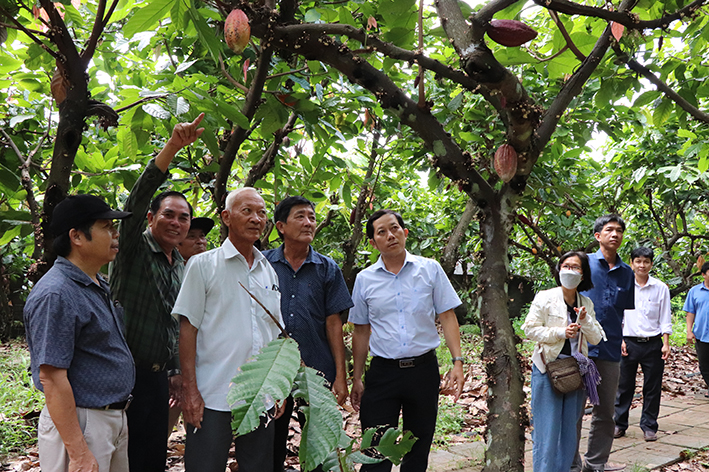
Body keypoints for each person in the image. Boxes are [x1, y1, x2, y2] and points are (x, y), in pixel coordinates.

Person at [109, 114, 204, 471]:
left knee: (151, 457)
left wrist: (176, 371)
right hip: (123, 374)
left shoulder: (179, 265)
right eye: (169, 215)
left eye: (184, 218)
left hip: (156, 380)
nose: (177, 223)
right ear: (151, 219)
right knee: (122, 459)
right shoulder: (132, 249)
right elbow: (133, 202)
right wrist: (172, 148)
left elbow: (176, 324)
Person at [174, 187, 284, 472]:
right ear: (226, 217)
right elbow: (188, 330)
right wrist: (190, 390)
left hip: (261, 394)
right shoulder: (203, 265)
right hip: (212, 393)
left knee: (258, 466)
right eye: (246, 211)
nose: (256, 219)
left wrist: (279, 385)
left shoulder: (267, 270)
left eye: (261, 213)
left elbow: (274, 333)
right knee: (204, 466)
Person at [24, 195, 134, 472]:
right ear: (77, 236)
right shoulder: (57, 293)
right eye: (106, 226)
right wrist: (78, 452)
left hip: (110, 418)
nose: (115, 234)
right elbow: (51, 376)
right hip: (83, 421)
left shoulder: (95, 284)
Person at [349, 209, 465, 472]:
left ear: (405, 232)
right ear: (373, 242)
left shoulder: (430, 269)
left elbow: (447, 316)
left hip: (423, 372)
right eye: (382, 232)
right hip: (382, 374)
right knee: (375, 449)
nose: (390, 235)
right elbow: (361, 330)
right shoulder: (364, 279)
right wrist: (357, 378)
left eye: (395, 229)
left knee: (418, 446)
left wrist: (457, 362)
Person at [263, 196, 354, 472]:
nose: (308, 223)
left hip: (316, 370)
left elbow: (333, 324)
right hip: (272, 370)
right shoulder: (263, 264)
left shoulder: (327, 268)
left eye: (312, 217)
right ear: (280, 226)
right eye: (300, 217)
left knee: (318, 441)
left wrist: (341, 375)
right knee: (271, 442)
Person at [522, 251, 605, 472]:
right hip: (548, 369)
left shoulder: (585, 302)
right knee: (546, 430)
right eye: (566, 266)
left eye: (575, 267)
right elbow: (529, 329)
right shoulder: (545, 297)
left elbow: (596, 337)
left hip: (576, 372)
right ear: (559, 269)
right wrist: (560, 332)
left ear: (583, 274)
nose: (570, 270)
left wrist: (585, 320)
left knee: (569, 431)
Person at [573, 214, 635, 472]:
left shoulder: (627, 273)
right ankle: (570, 463)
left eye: (619, 230)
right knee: (574, 410)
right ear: (597, 236)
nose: (615, 234)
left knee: (605, 410)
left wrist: (623, 341)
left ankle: (596, 463)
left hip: (610, 349)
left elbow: (621, 313)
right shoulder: (583, 264)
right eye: (609, 230)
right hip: (579, 348)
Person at [614, 247, 672, 442]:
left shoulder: (660, 288)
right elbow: (618, 315)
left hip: (653, 344)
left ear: (651, 264)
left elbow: (665, 317)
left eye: (646, 262)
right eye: (638, 261)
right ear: (632, 263)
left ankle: (649, 426)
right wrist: (620, 340)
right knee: (623, 386)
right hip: (628, 342)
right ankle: (619, 423)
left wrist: (666, 343)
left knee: (652, 387)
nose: (642, 265)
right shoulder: (624, 286)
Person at [168, 215, 215, 437]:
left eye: (203, 237)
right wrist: (174, 368)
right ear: (178, 243)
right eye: (192, 237)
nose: (200, 242)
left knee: (199, 425)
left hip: (205, 366)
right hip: (175, 367)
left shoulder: (212, 273)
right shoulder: (172, 273)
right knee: (164, 425)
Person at [683, 261, 709, 397]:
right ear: (704, 274)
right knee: (704, 365)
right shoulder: (695, 291)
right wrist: (689, 330)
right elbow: (690, 312)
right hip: (702, 334)